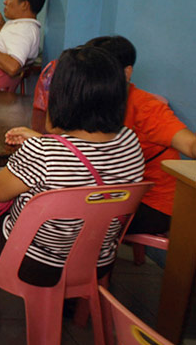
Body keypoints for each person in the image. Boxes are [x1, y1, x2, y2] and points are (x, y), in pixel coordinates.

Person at [0, 46, 143, 339]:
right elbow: (85, 156)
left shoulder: (43, 152)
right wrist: (45, 140)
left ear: (64, 96)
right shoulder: (130, 143)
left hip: (35, 263)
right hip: (95, 261)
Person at [34, 36, 196, 236]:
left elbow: (190, 145)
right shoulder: (96, 98)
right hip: (110, 191)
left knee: (55, 211)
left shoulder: (147, 108)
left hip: (150, 205)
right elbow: (55, 129)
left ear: (126, 73)